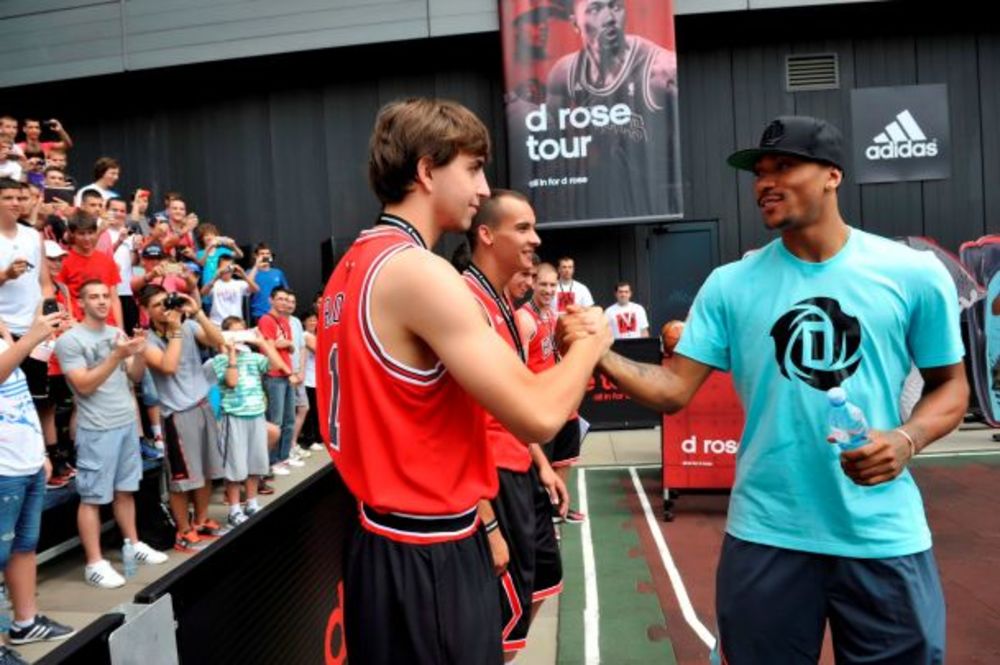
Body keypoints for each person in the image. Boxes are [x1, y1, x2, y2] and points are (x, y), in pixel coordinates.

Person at [592, 115, 968, 664]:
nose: (765, 183)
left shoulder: (912, 274)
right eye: (759, 172)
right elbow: (673, 390)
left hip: (883, 536)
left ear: (832, 175)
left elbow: (950, 388)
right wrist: (597, 353)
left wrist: (907, 439)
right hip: (767, 534)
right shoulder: (730, 284)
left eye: (784, 167)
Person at [316, 97, 610, 665]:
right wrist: (591, 344)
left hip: (381, 540)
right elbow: (539, 414)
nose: (482, 187)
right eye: (472, 168)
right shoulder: (418, 271)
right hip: (427, 551)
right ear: (427, 171)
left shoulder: (351, 265)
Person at [463, 191, 567, 658]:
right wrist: (487, 523)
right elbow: (461, 427)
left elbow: (514, 410)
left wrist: (540, 463)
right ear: (486, 235)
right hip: (492, 481)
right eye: (523, 229)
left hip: (518, 468)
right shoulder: (467, 303)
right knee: (501, 618)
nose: (535, 239)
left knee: (542, 584)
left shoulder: (501, 303)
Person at [54, 281, 168, 588]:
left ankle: (132, 543)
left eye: (106, 296)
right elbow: (84, 385)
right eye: (95, 297)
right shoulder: (69, 340)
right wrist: (116, 357)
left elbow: (135, 376)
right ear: (81, 302)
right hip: (96, 428)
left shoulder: (116, 333)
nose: (102, 301)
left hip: (126, 423)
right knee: (92, 498)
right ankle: (94, 562)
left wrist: (140, 353)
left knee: (125, 490)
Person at [542, 0, 680, 219]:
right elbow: (550, 149)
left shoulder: (661, 68)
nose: (609, 19)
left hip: (650, 202)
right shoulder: (564, 73)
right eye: (595, 9)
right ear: (575, 22)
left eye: (615, 7)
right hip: (592, 202)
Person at [0, 308, 75, 663]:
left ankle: (25, 623)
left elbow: (19, 392)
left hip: (25, 459)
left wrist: (39, 451)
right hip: (2, 469)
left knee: (25, 547)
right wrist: (31, 337)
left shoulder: (3, 336)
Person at [139, 286, 228, 553]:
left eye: (165, 302)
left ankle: (201, 520)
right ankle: (184, 529)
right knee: (182, 479)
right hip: (176, 414)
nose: (163, 308)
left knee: (207, 470)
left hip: (202, 405)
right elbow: (168, 365)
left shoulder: (188, 326)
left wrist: (197, 312)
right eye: (156, 305)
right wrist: (176, 327)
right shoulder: (147, 340)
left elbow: (216, 339)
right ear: (146, 311)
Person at [517, 262, 586, 523]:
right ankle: (544, 515)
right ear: (533, 283)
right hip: (541, 402)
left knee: (565, 457)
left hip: (563, 400)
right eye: (543, 284)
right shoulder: (524, 318)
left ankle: (560, 508)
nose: (548, 290)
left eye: (552, 285)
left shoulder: (554, 315)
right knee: (540, 464)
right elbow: (519, 369)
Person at [208, 317, 288, 527]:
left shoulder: (253, 357)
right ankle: (234, 510)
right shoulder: (218, 361)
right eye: (233, 334)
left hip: (256, 416)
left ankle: (251, 503)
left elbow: (277, 365)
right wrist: (230, 354)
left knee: (254, 463)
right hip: (233, 417)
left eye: (242, 333)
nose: (238, 338)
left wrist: (262, 342)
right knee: (235, 467)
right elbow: (232, 382)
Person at [202, 254, 258, 325]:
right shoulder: (214, 283)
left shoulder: (239, 284)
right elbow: (203, 292)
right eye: (224, 267)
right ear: (218, 268)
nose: (227, 270)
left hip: (235, 323)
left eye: (229, 267)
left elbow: (255, 289)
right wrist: (215, 277)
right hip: (217, 323)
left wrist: (243, 275)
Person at [247, 243, 289, 324]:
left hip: (277, 313)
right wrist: (256, 266)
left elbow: (286, 292)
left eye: (267, 254)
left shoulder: (278, 273)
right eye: (262, 254)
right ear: (256, 256)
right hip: (258, 314)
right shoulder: (250, 272)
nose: (265, 256)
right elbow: (247, 288)